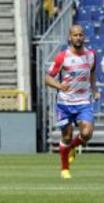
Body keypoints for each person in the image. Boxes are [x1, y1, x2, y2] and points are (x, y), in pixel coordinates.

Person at [45, 25, 100, 179]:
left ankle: (72, 149)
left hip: (83, 102)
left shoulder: (91, 56)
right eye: (75, 35)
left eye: (81, 35)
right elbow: (48, 78)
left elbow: (92, 74)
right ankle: (65, 168)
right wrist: (59, 85)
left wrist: (94, 89)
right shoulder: (62, 57)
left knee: (87, 133)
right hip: (65, 104)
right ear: (70, 37)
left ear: (84, 37)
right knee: (67, 136)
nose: (78, 37)